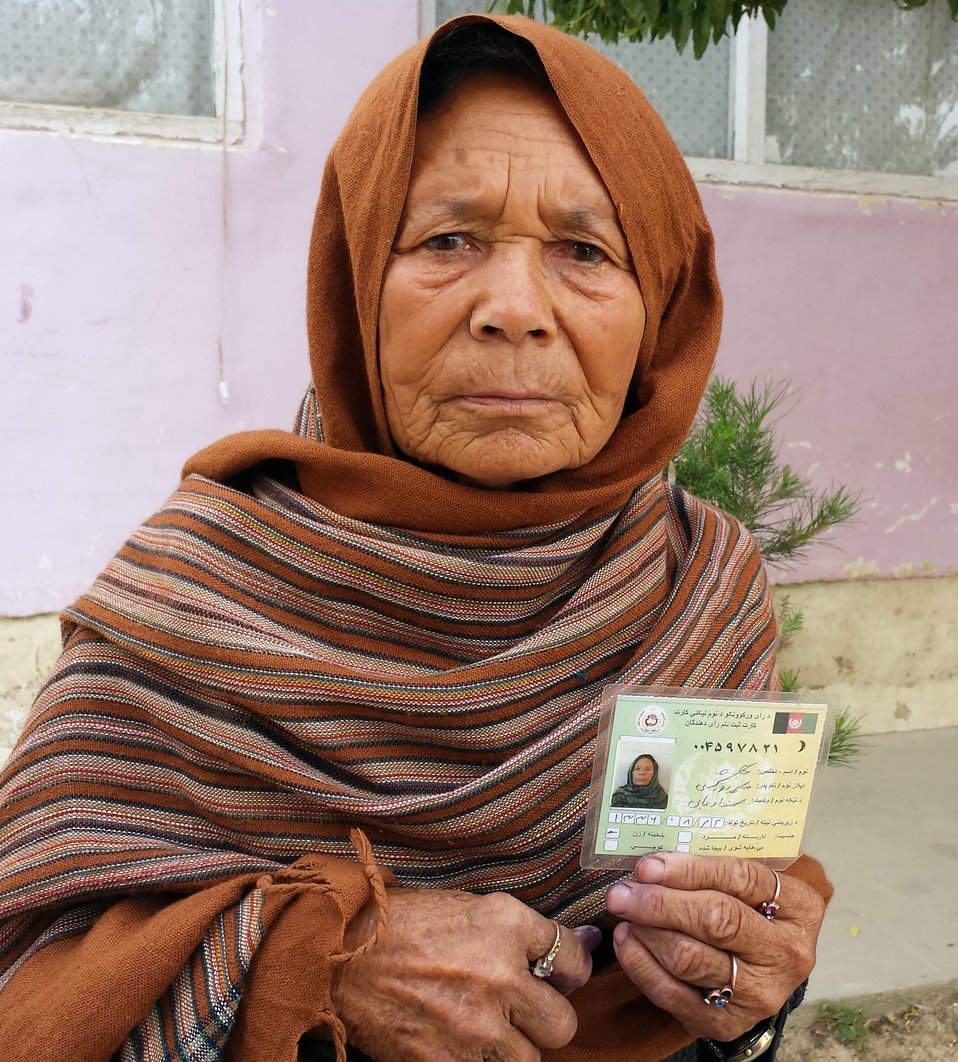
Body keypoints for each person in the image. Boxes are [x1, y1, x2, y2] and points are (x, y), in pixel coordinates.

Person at [0, 14, 831, 1062]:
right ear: (354, 282)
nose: (513, 308)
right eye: (448, 241)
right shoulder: (192, 595)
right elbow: (32, 986)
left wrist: (747, 979)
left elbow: (717, 988)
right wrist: (315, 966)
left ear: (659, 305)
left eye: (584, 251)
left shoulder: (699, 590)